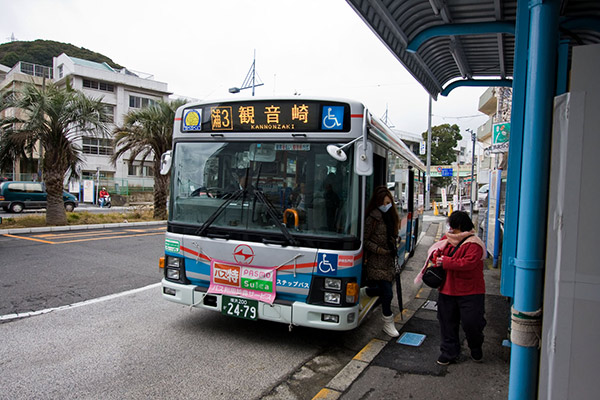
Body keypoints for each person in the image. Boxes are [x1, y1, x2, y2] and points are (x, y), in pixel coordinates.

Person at [419, 211, 487, 365]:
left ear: (460, 226)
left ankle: (475, 346)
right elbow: (436, 255)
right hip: (447, 290)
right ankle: (449, 352)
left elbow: (468, 263)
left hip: (471, 292)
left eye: (453, 226)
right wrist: (437, 258)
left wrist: (446, 261)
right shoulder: (446, 240)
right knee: (447, 323)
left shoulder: (474, 244)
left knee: (472, 323)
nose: (450, 229)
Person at [362, 185, 401, 337]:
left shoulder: (392, 216)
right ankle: (388, 323)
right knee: (388, 293)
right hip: (376, 260)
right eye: (383, 203)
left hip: (389, 259)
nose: (386, 206)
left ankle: (366, 292)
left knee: (384, 290)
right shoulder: (372, 218)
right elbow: (365, 240)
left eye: (388, 202)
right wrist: (379, 250)